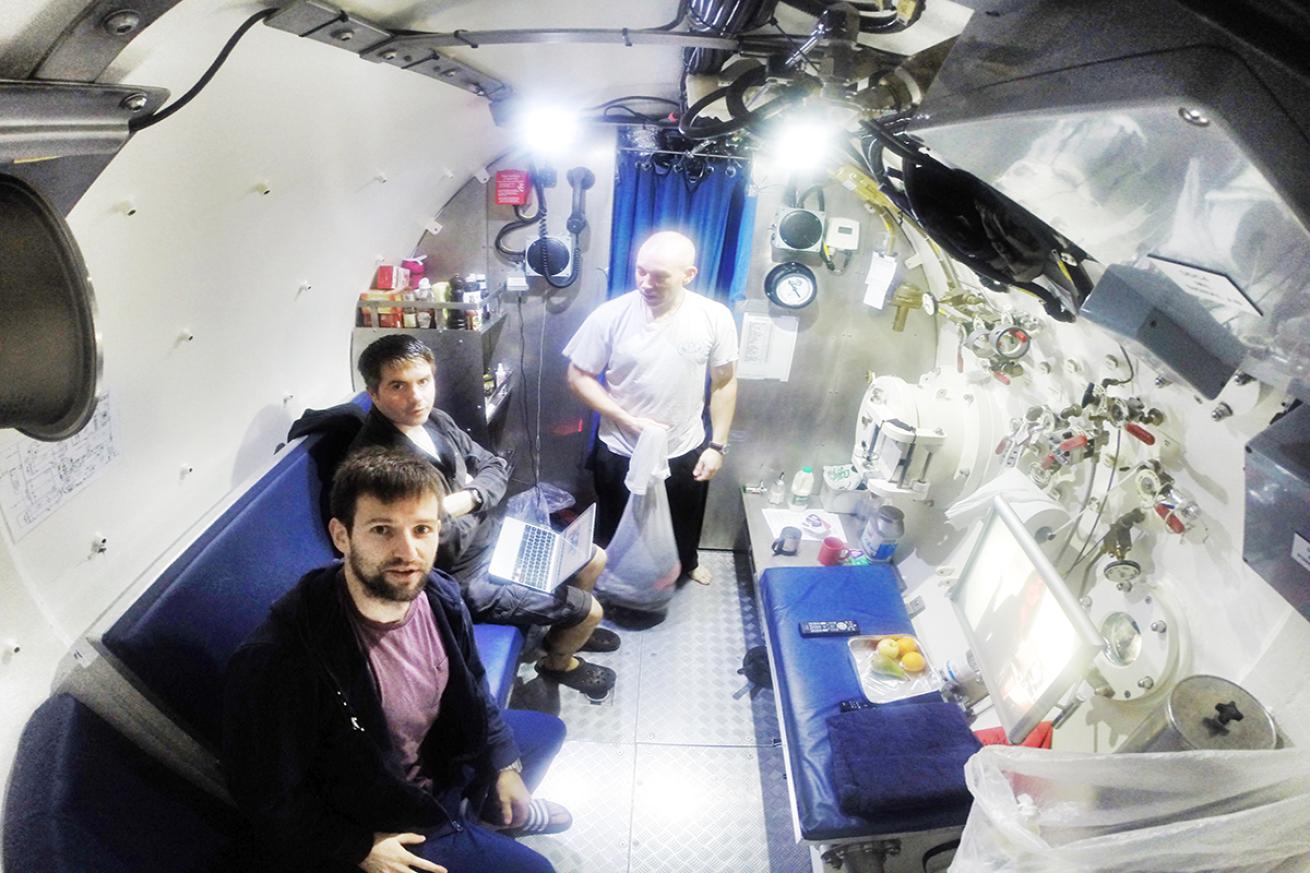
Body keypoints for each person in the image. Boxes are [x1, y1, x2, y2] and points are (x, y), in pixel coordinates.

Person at [223, 448, 569, 873]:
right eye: (383, 530)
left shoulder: (439, 594)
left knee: (547, 732)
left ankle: (488, 816)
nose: (408, 552)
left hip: (442, 760)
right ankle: (463, 832)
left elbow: (474, 683)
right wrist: (357, 847)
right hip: (387, 806)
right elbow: (265, 794)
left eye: (421, 529)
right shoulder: (281, 659)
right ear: (342, 535)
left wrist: (500, 761)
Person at [350, 334, 617, 696]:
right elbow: (443, 549)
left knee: (594, 558)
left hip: (495, 540)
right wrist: (479, 500)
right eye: (398, 386)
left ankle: (562, 632)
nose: (416, 397)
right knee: (591, 611)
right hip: (464, 579)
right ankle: (558, 662)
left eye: (423, 382)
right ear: (373, 393)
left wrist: (471, 497)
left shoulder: (435, 421)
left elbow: (494, 465)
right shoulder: (383, 466)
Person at [564, 230, 739, 586]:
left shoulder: (714, 316)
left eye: (659, 276)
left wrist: (717, 446)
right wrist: (624, 419)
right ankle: (613, 576)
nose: (646, 282)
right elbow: (578, 376)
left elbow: (724, 382)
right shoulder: (610, 315)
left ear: (688, 275)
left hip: (684, 444)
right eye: (641, 271)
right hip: (620, 446)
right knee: (615, 518)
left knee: (684, 517)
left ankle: (687, 563)